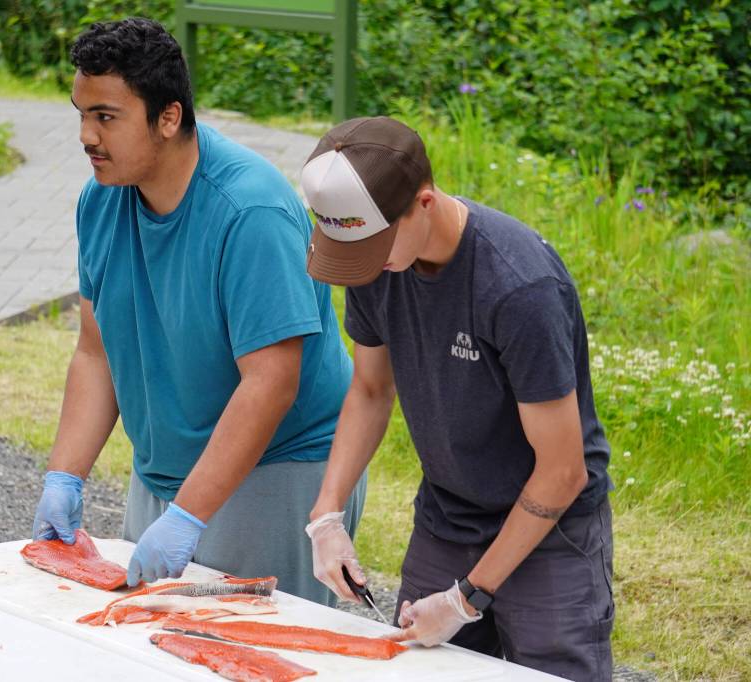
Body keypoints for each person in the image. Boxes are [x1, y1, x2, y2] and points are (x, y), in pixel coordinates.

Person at [30, 17, 365, 605]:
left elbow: (271, 383)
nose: (86, 135)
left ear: (169, 117)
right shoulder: (100, 198)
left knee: (254, 650)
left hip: (280, 466)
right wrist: (65, 475)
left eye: (105, 117)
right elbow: (95, 349)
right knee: (149, 643)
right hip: (164, 466)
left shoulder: (249, 211)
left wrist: (188, 515)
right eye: (81, 114)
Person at [300, 116, 614, 680]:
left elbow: (564, 471)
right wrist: (327, 514)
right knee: (424, 670)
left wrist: (466, 599)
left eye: (374, 245)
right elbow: (371, 389)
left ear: (423, 202)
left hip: (551, 531)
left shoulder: (518, 287)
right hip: (447, 518)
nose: (364, 265)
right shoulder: (375, 265)